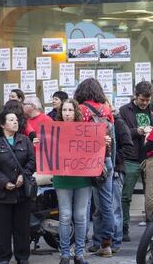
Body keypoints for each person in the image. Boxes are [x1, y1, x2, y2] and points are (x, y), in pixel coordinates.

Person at [0, 109, 35, 264]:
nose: (15, 122)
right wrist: (4, 182)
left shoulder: (25, 140)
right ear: (2, 124)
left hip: (22, 193)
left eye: (16, 120)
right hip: (2, 194)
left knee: (22, 228)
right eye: (11, 120)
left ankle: (22, 257)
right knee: (3, 230)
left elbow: (32, 162)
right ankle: (3, 258)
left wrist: (23, 175)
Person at [74, 78, 114, 257]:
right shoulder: (106, 109)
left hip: (85, 161)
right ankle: (106, 244)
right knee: (106, 204)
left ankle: (82, 244)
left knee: (84, 204)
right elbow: (112, 136)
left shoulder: (81, 109)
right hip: (105, 160)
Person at [51, 99, 94, 264]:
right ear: (60, 112)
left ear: (75, 112)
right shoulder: (54, 130)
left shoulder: (86, 130)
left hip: (83, 178)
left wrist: (106, 144)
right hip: (62, 179)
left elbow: (95, 150)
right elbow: (48, 149)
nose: (67, 113)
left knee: (81, 216)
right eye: (64, 110)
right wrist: (39, 144)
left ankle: (80, 254)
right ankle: (65, 254)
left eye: (70, 110)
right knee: (65, 216)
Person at [90, 105, 133, 254]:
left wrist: (113, 163)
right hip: (99, 171)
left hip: (114, 172)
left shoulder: (119, 124)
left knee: (113, 209)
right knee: (99, 210)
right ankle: (98, 241)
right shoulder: (96, 123)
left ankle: (115, 242)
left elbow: (128, 147)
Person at [119, 81, 153, 241]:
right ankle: (124, 228)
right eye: (142, 100)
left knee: (150, 196)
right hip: (131, 158)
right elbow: (121, 132)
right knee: (126, 195)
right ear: (135, 95)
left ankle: (150, 229)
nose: (145, 103)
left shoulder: (151, 109)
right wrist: (136, 131)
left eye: (148, 100)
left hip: (150, 157)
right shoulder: (125, 110)